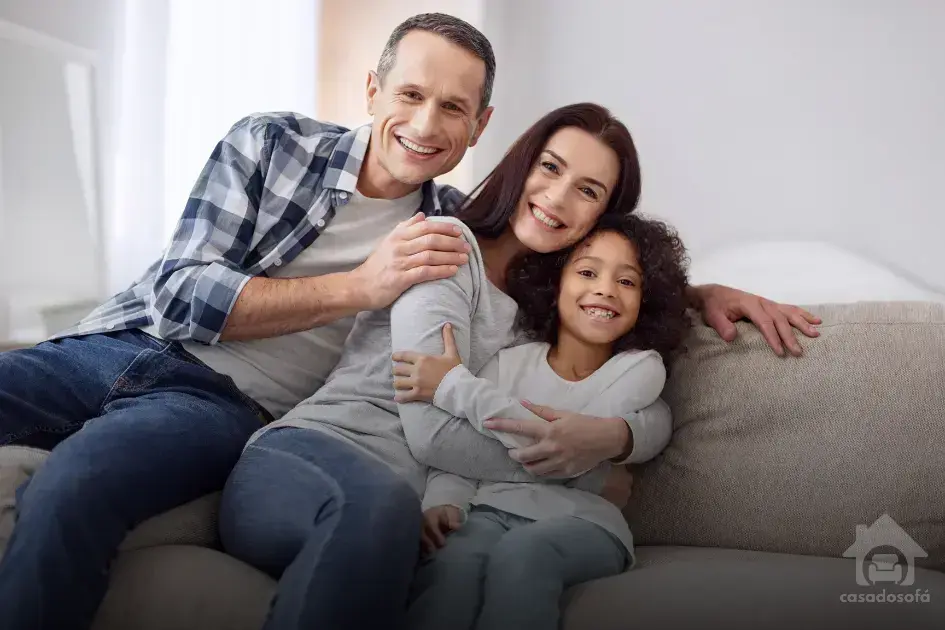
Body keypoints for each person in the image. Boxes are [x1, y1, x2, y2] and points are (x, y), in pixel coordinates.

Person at [0, 11, 818, 630]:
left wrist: (698, 295)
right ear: (372, 92)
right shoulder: (288, 154)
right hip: (120, 344)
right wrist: (359, 286)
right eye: (411, 96)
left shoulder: (467, 242)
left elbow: (601, 287)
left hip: (218, 407)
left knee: (75, 486)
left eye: (453, 109)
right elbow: (179, 292)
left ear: (480, 127)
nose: (427, 126)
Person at [219, 101, 657, 630]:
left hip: (400, 512)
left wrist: (618, 434)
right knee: (383, 512)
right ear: (522, 164)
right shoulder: (444, 249)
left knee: (410, 541)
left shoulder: (552, 316)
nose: (557, 197)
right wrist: (587, 472)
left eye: (589, 190)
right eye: (550, 166)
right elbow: (433, 436)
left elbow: (639, 339)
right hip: (304, 464)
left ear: (602, 219)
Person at [397, 211, 690, 630]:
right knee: (453, 563)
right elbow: (462, 452)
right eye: (588, 272)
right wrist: (442, 500)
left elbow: (554, 443)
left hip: (585, 521)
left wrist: (454, 386)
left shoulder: (641, 369)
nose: (605, 290)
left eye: (627, 281)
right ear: (556, 286)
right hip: (487, 509)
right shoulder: (508, 363)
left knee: (525, 553)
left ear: (647, 300)